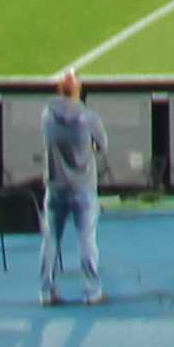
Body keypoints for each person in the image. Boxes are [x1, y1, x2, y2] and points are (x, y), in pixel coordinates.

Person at [41, 71, 108, 302]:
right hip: (82, 187)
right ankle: (92, 291)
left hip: (55, 186)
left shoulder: (47, 115)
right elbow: (102, 146)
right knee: (87, 240)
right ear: (78, 90)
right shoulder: (89, 118)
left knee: (51, 240)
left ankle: (46, 291)